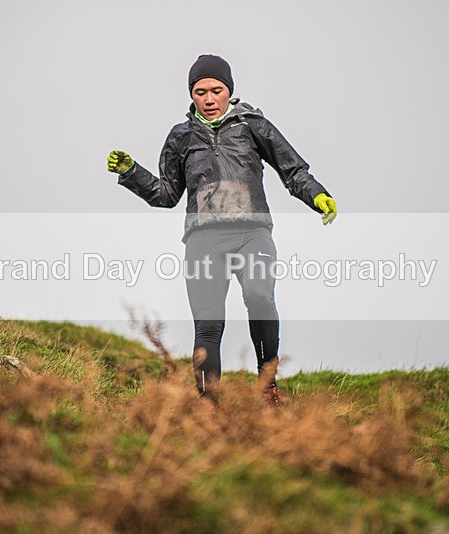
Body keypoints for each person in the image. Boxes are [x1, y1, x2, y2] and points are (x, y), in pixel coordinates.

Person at [107, 54, 336, 406]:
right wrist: (132, 172)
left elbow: (292, 170)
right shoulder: (180, 137)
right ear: (192, 95)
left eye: (217, 90)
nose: (209, 99)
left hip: (252, 233)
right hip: (203, 239)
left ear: (229, 91)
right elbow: (167, 194)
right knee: (208, 324)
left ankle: (267, 386)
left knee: (260, 298)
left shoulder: (254, 125)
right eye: (201, 92)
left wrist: (317, 194)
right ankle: (207, 405)